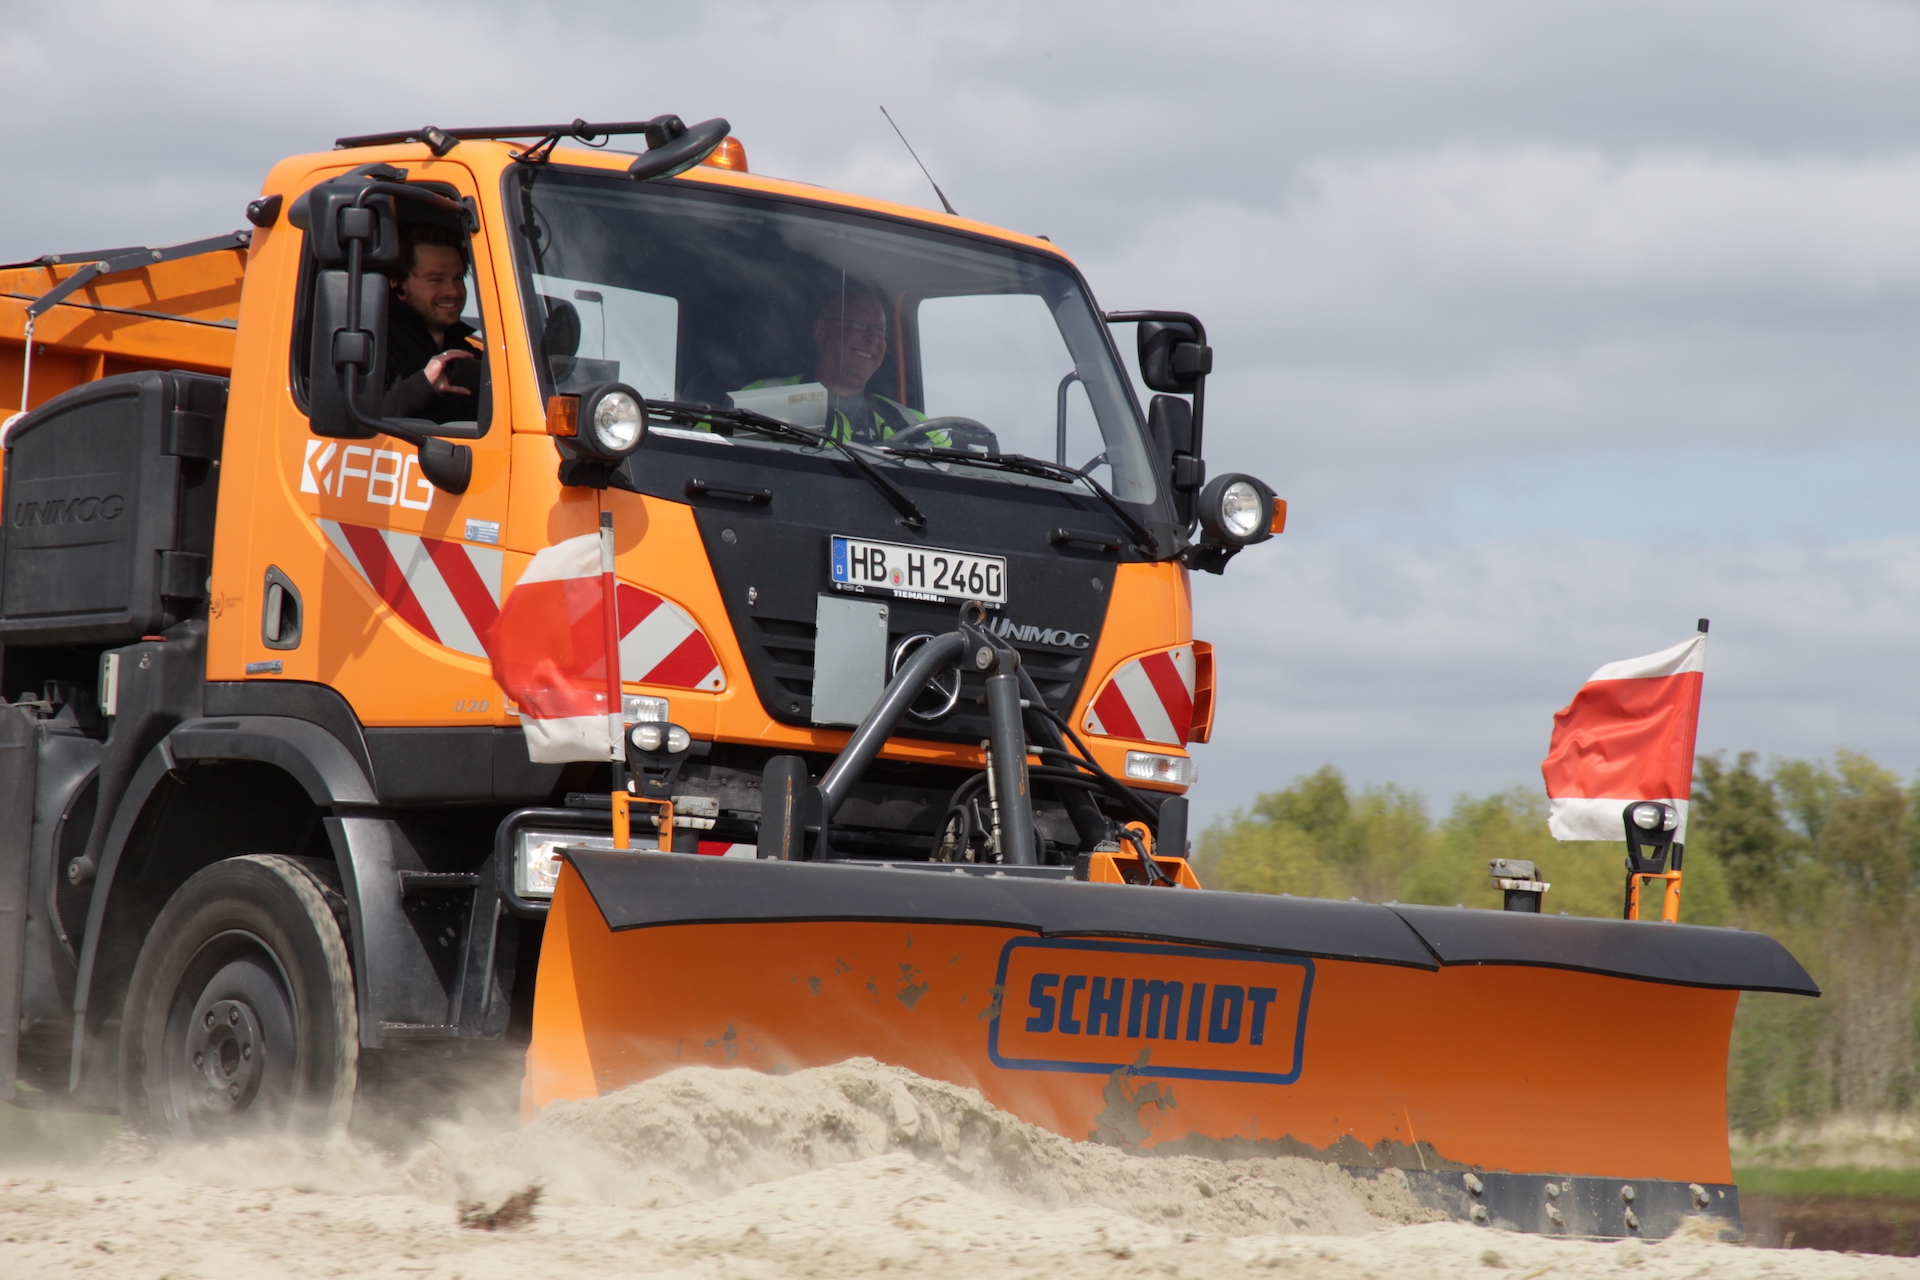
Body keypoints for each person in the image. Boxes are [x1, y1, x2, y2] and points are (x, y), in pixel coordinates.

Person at [741, 289, 928, 444]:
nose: (873, 339)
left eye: (880, 330)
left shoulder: (909, 420)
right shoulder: (764, 399)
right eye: (860, 325)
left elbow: (950, 462)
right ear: (821, 332)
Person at [383, 223, 485, 423]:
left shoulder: (470, 355)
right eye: (436, 280)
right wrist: (421, 386)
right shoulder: (373, 344)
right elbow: (351, 423)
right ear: (398, 285)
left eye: (458, 278)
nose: (453, 292)